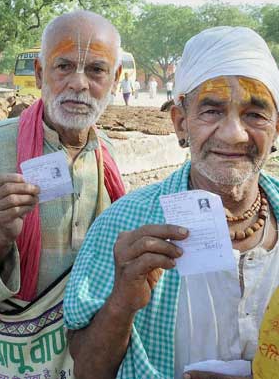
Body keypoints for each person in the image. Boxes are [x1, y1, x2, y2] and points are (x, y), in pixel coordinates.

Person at [63, 26, 279, 379]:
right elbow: (88, 370)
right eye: (211, 111)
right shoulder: (124, 224)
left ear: (277, 128)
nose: (234, 133)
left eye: (255, 114)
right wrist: (123, 300)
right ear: (181, 124)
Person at [0, 10, 126, 378]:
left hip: (92, 354)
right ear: (39, 74)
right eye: (63, 66)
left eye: (96, 70)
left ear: (115, 79)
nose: (79, 84)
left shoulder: (109, 155)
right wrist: (0, 237)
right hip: (14, 358)